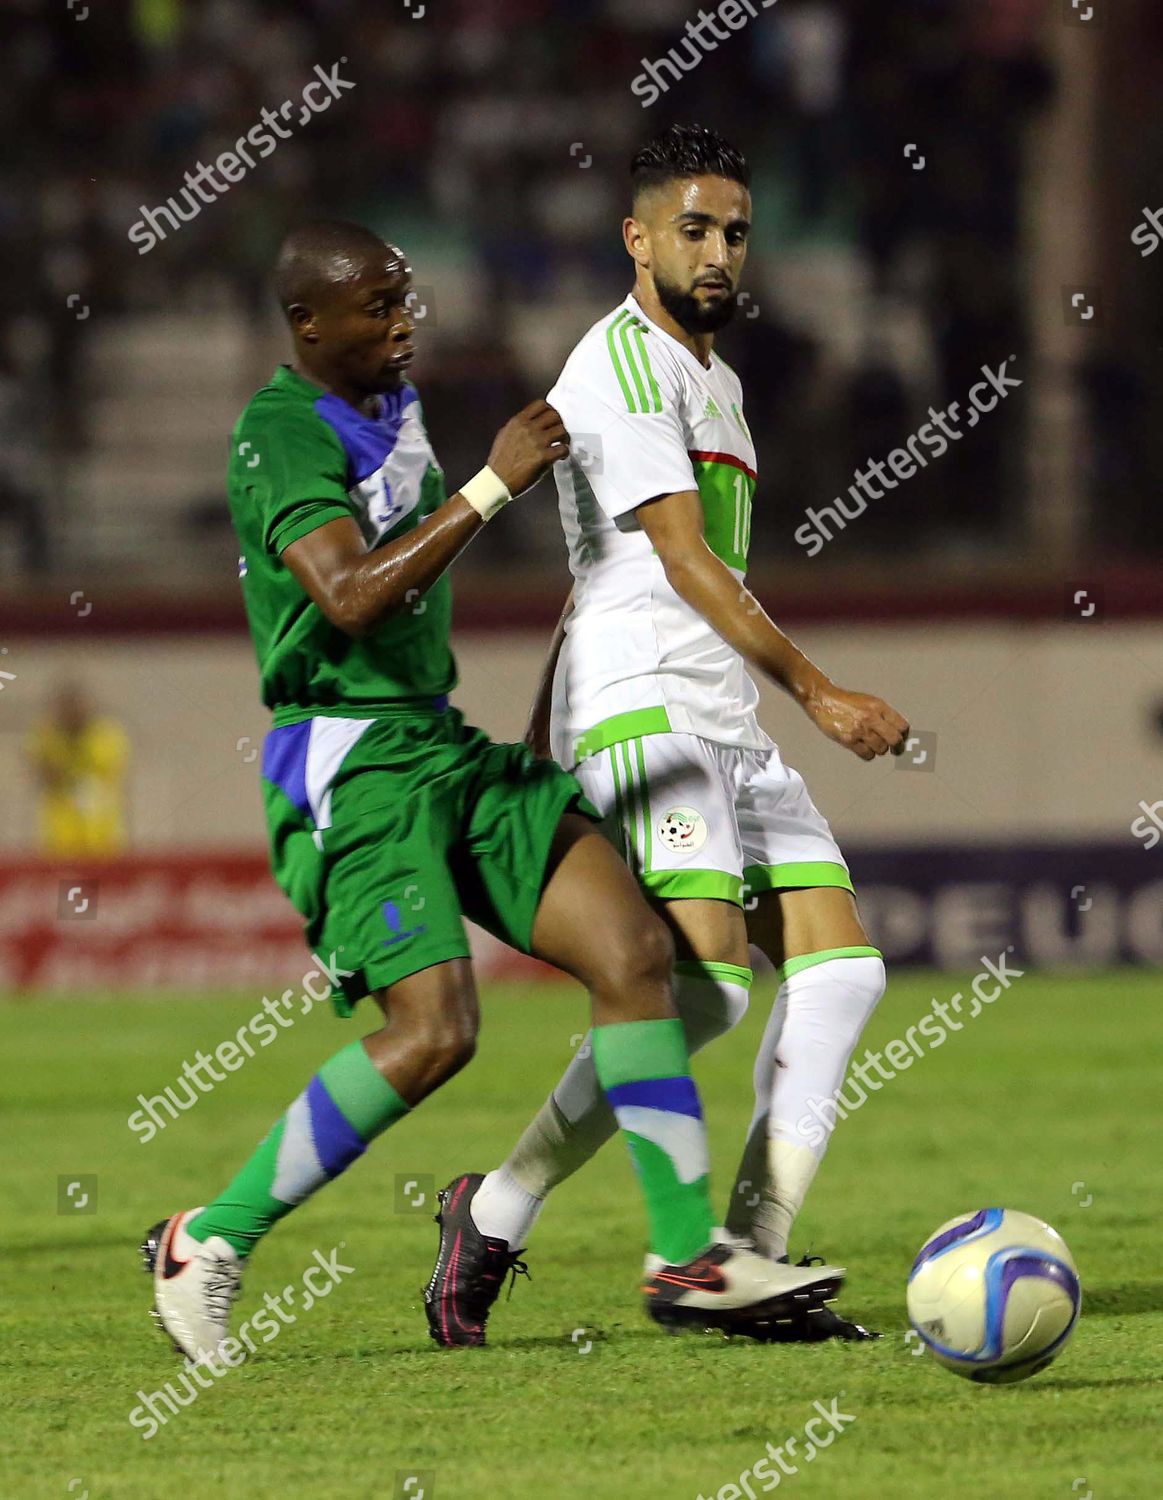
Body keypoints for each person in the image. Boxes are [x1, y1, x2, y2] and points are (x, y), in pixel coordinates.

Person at [142, 220, 842, 1365]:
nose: (400, 321)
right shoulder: (277, 433)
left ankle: (685, 1259)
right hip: (348, 763)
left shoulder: (392, 403)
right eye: (373, 307)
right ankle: (207, 1240)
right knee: (433, 1036)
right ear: (306, 325)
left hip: (437, 741)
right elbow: (351, 600)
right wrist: (491, 485)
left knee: (635, 959)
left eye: (403, 298)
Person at [427, 126, 909, 1345]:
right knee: (700, 995)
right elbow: (681, 563)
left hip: (721, 715)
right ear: (636, 240)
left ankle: (745, 1253)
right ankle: (501, 1208)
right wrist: (821, 692)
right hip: (648, 707)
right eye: (692, 230)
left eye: (735, 233)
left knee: (842, 973)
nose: (718, 252)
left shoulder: (720, 381)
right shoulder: (621, 365)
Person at [23, 682, 129, 855]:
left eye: (77, 706)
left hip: (103, 834)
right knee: (64, 878)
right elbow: (41, 770)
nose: (72, 713)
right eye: (66, 708)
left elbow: (108, 772)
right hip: (59, 837)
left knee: (104, 878)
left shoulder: (107, 735)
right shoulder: (46, 737)